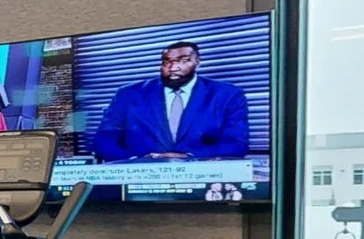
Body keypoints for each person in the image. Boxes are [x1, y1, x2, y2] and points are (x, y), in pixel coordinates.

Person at [89, 39, 250, 162]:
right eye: (167, 62)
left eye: (183, 61)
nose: (173, 68)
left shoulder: (227, 95)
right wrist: (136, 162)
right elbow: (104, 141)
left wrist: (187, 157)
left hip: (200, 181)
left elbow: (236, 144)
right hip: (139, 180)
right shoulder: (128, 94)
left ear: (197, 61)